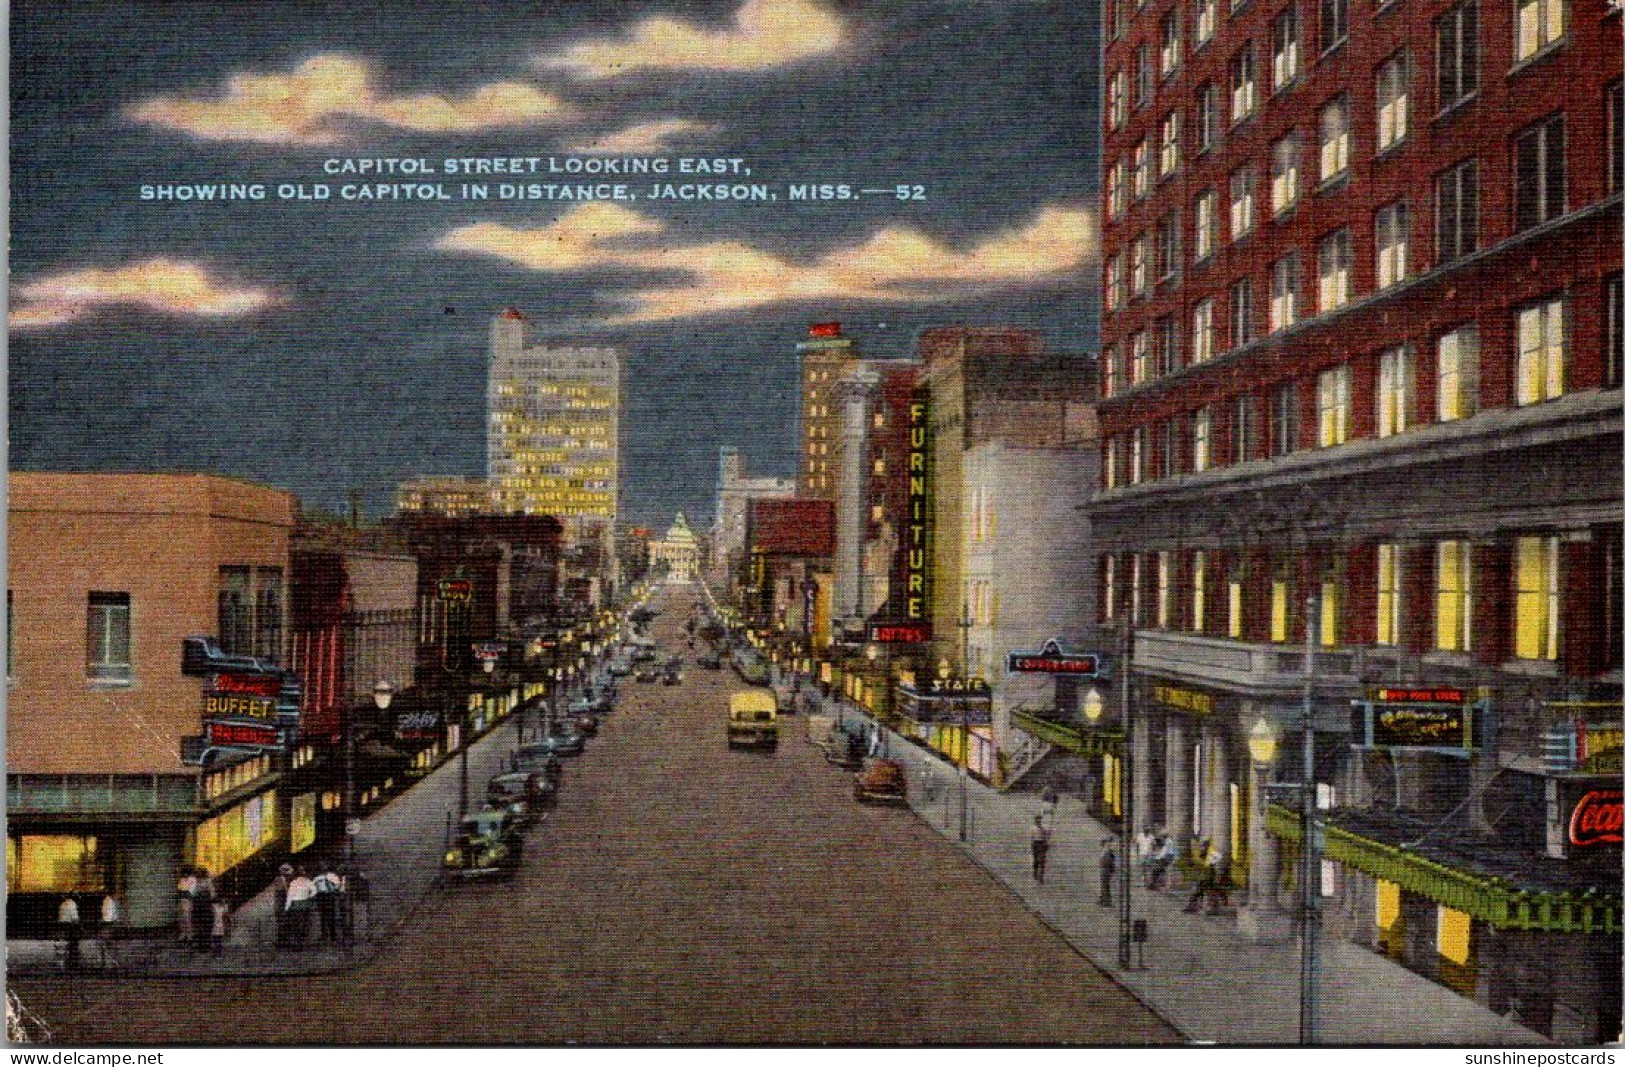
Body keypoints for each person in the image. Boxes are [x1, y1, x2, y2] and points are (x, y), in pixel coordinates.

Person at [285, 867, 316, 948]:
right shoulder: (308, 881)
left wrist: (286, 908)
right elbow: (314, 891)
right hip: (305, 904)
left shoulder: (293, 883)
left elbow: (289, 896)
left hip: (295, 905)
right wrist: (308, 896)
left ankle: (297, 942)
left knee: (296, 924)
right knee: (304, 923)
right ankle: (303, 940)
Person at [313, 863, 342, 943]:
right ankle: (323, 935)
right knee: (322, 916)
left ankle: (333, 935)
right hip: (321, 897)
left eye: (325, 867)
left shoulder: (332, 876)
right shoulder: (317, 878)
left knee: (331, 915)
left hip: (329, 896)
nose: (323, 868)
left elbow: (338, 884)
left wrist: (334, 890)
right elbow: (313, 887)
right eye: (322, 867)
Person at [57, 895, 82, 972]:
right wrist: (81, 927)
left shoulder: (63, 904)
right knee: (73, 946)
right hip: (70, 928)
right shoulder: (72, 904)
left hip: (62, 927)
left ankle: (62, 966)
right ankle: (74, 965)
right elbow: (75, 918)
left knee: (63, 948)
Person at [272, 864, 293, 947]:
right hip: (281, 904)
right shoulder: (278, 880)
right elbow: (281, 892)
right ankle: (282, 941)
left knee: (286, 923)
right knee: (281, 923)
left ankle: (286, 941)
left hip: (285, 903)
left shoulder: (289, 880)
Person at [175, 867, 197, 947]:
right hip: (182, 900)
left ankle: (189, 936)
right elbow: (179, 890)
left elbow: (191, 892)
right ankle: (183, 934)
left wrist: (183, 890)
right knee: (181, 918)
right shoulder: (182, 879)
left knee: (186, 918)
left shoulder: (192, 879)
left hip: (187, 900)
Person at [98, 893, 120, 969]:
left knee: (106, 946)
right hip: (108, 926)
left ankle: (107, 965)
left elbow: (106, 915)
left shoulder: (107, 901)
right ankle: (110, 965)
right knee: (109, 946)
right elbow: (111, 917)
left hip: (107, 926)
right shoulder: (110, 902)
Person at [1029, 814, 1052, 884]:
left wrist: (1047, 842)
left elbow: (1048, 835)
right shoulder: (1033, 828)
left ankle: (1041, 876)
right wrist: (1032, 846)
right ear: (1035, 821)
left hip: (1042, 844)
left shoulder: (1044, 828)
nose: (1038, 821)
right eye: (1037, 820)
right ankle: (1035, 872)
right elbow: (1032, 838)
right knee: (1036, 860)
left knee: (1042, 861)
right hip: (1036, 844)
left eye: (1040, 820)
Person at [1098, 839, 1118, 907]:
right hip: (1103, 869)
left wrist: (1112, 870)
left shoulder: (1107, 852)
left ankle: (1106, 901)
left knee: (1106, 886)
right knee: (1104, 886)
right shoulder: (1104, 851)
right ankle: (1103, 900)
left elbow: (1109, 861)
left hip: (1106, 870)